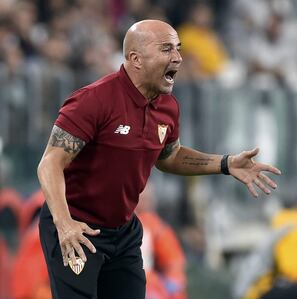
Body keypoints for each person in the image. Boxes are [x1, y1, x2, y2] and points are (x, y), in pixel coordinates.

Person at [36, 19, 281, 299]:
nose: (177, 57)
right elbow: (50, 163)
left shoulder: (168, 107)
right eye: (166, 49)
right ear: (135, 59)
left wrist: (225, 164)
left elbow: (169, 156)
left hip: (123, 232)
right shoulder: (93, 100)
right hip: (77, 228)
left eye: (178, 48)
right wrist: (64, 223)